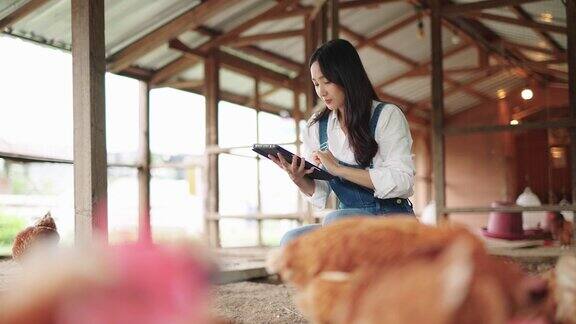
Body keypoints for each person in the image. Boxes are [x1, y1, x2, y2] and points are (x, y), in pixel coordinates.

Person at [269, 39, 415, 246]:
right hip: (346, 224)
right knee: (292, 241)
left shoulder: (386, 116)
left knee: (337, 220)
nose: (321, 91)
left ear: (347, 77)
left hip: (391, 220)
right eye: (316, 83)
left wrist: (338, 169)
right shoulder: (316, 128)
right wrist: (298, 178)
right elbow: (320, 192)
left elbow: (403, 181)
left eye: (327, 81)